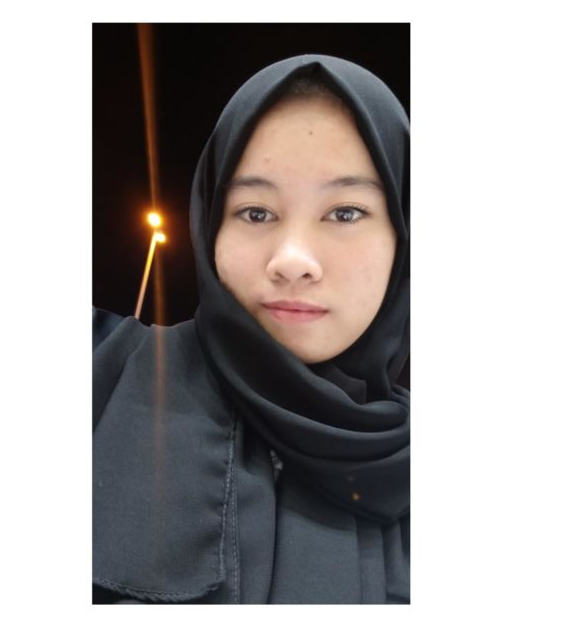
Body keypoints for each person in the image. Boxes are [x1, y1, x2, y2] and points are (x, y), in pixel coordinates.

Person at [93, 54, 410, 604]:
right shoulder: (106, 379)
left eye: (345, 212)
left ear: (404, 236)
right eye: (256, 213)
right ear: (211, 225)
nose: (292, 260)